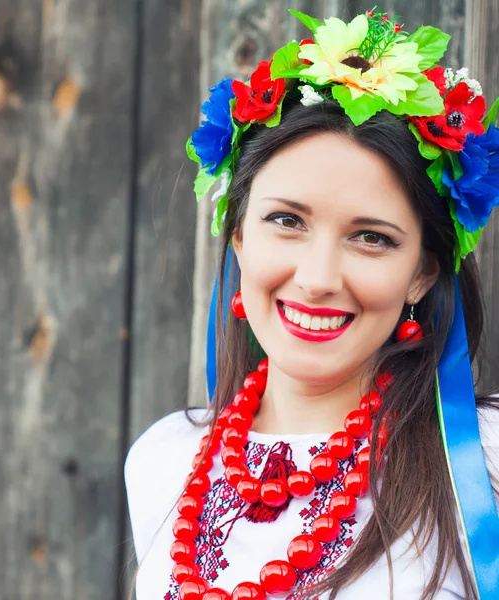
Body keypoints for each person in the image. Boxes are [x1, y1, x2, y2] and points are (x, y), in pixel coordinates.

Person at [125, 8, 499, 600]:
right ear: (240, 238)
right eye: (286, 220)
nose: (319, 278)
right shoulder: (164, 460)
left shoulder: (484, 460)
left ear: (423, 273)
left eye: (371, 237)